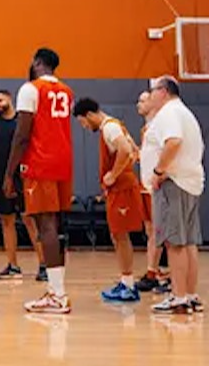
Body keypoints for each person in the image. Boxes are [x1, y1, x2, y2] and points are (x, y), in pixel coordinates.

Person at [4, 48, 74, 314]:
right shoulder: (67, 91)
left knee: (45, 226)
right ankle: (57, 290)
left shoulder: (30, 89)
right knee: (56, 226)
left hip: (40, 162)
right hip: (63, 162)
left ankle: (57, 294)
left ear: (36, 63)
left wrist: (9, 173)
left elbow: (22, 134)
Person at [73, 97, 145, 302]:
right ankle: (126, 281)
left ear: (89, 115)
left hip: (122, 188)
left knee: (121, 236)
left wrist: (114, 174)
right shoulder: (114, 125)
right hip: (119, 188)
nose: (85, 127)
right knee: (117, 235)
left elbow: (126, 150)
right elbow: (135, 152)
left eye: (83, 122)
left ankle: (129, 285)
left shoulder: (110, 127)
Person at [145, 76, 206, 315]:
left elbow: (173, 142)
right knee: (188, 242)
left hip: (173, 183)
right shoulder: (184, 113)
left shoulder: (169, 113)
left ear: (163, 91)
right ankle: (190, 295)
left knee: (175, 242)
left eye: (153, 91)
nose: (150, 96)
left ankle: (179, 298)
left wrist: (159, 171)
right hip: (189, 183)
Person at [0, 90, 44, 280]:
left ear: (9, 99)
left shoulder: (22, 122)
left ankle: (44, 265)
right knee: (6, 221)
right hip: (0, 178)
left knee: (29, 220)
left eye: (0, 100)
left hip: (23, 177)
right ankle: (13, 266)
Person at [135, 90, 170, 293]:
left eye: (143, 100)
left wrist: (161, 174)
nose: (138, 104)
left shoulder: (161, 125)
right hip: (145, 185)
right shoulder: (146, 129)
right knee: (150, 231)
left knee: (159, 231)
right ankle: (154, 271)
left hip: (156, 186)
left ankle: (155, 273)